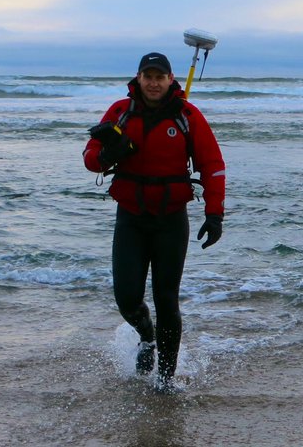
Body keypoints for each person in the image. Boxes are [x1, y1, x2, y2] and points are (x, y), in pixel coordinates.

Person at [83, 51, 226, 391]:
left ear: (170, 79)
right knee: (127, 298)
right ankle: (146, 337)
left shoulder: (187, 115)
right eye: (148, 75)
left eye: (159, 76)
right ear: (139, 78)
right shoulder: (120, 111)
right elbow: (90, 158)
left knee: (166, 299)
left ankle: (165, 380)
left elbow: (213, 164)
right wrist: (107, 154)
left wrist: (214, 212)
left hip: (170, 220)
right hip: (130, 218)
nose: (153, 82)